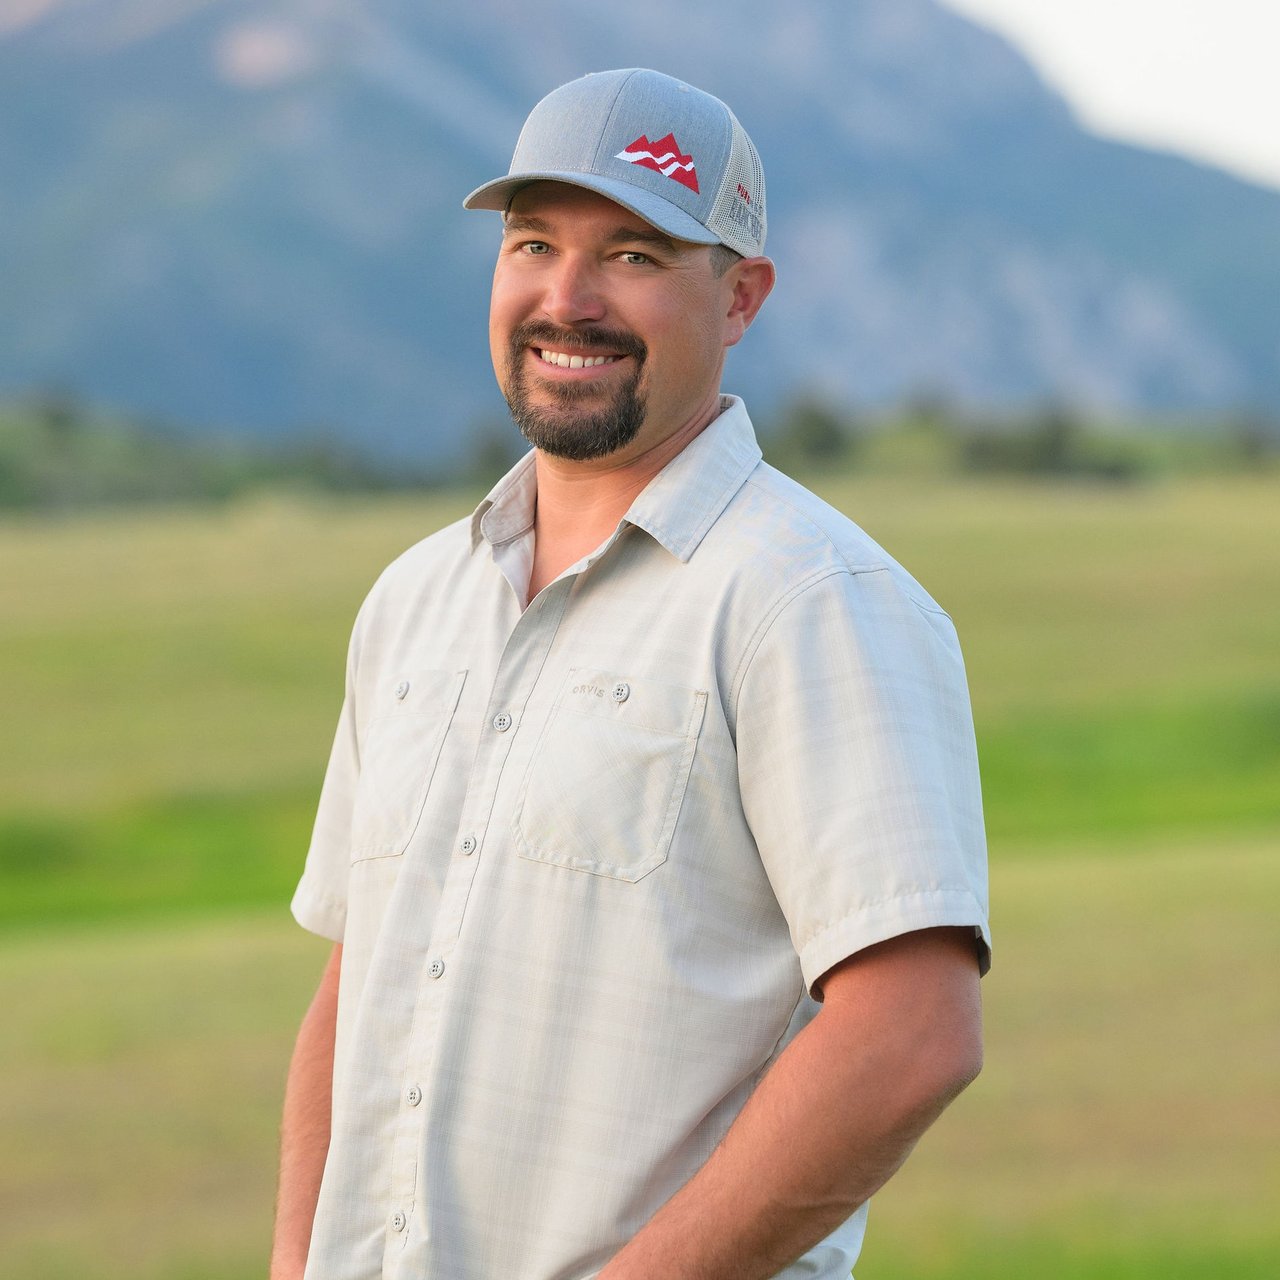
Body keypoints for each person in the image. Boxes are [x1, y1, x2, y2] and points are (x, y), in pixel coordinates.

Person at [271, 67, 990, 1280]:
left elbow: (910, 1029)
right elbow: (360, 975)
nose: (567, 299)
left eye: (634, 255)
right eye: (533, 244)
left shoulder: (813, 600)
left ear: (740, 295)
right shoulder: (412, 601)